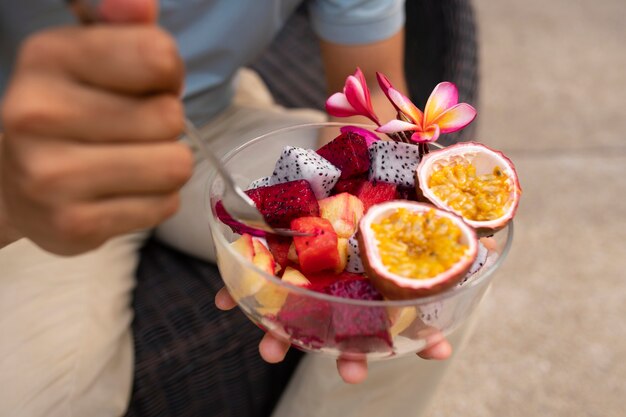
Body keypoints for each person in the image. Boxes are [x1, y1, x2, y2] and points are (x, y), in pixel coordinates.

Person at [0, 0, 458, 416]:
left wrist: (371, 206)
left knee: (427, 281)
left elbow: (373, 92)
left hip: (215, 124)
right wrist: (13, 200)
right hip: (30, 154)